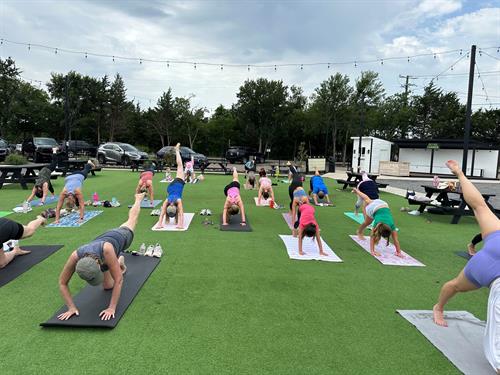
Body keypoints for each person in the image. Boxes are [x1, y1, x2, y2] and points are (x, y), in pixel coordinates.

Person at [432, 160, 500, 374]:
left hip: (490, 255)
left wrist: (459, 173)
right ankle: (438, 307)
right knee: (456, 286)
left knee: (455, 286)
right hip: (489, 266)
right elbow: (478, 204)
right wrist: (460, 174)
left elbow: (479, 204)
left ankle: (439, 307)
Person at [57, 192, 145, 321]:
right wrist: (71, 307)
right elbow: (62, 283)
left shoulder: (107, 250)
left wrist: (112, 308)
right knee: (107, 286)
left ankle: (138, 199)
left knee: (132, 219)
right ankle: (118, 261)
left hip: (121, 236)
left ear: (99, 265)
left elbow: (119, 280)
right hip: (102, 252)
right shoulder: (75, 255)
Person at [352, 188, 402, 258]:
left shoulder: (391, 225)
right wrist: (372, 251)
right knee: (367, 222)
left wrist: (399, 252)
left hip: (383, 205)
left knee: (367, 199)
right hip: (373, 208)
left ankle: (356, 190)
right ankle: (359, 231)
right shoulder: (378, 223)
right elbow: (372, 236)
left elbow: (395, 240)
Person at [157, 143, 185, 230]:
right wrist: (159, 224)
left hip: (178, 184)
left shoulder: (178, 201)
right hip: (170, 188)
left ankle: (177, 150)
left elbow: (181, 213)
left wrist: (180, 225)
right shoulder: (167, 201)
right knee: (179, 167)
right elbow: (162, 213)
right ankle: (176, 151)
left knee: (180, 166)